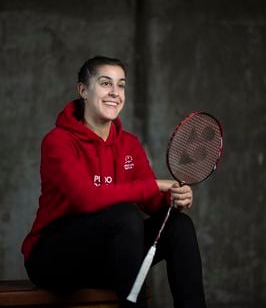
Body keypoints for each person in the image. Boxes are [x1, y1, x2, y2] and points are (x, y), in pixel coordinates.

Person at [22, 56, 206, 308]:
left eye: (121, 85)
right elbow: (86, 199)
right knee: (125, 216)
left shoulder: (128, 144)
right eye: (106, 83)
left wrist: (173, 199)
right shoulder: (58, 141)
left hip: (106, 259)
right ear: (83, 90)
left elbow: (152, 202)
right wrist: (155, 184)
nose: (115, 93)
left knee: (179, 226)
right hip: (52, 259)